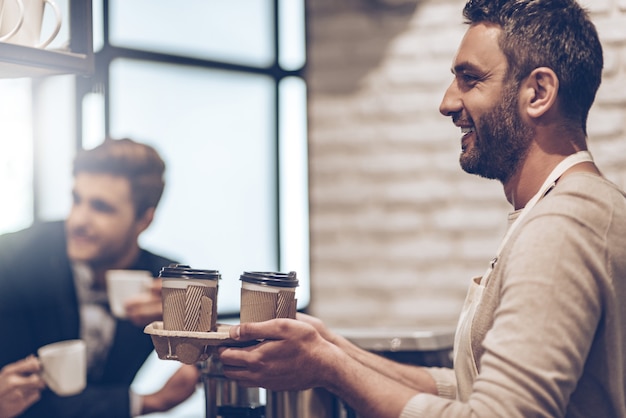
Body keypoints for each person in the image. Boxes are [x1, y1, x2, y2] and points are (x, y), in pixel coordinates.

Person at [218, 0, 626, 417]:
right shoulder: (579, 208)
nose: (447, 103)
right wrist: (331, 349)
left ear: (538, 92)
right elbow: (476, 392)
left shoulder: (561, 226)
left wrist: (334, 368)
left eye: (470, 79)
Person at [0, 138, 199, 417]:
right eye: (76, 199)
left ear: (144, 220)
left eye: (101, 207)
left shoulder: (164, 280)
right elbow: (17, 398)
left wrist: (195, 342)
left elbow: (207, 358)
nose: (78, 220)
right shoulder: (12, 261)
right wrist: (149, 402)